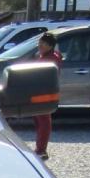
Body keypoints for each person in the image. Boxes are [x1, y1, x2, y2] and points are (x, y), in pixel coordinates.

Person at [31, 31, 62, 160]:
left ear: (50, 45)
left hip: (44, 94)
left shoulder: (50, 59)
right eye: (39, 42)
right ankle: (40, 148)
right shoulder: (47, 56)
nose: (40, 45)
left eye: (43, 43)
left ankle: (41, 149)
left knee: (43, 121)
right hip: (40, 92)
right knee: (39, 121)